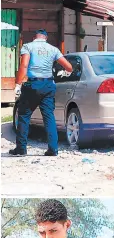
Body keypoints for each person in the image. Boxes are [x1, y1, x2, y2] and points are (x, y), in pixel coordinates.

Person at [9, 29, 73, 157]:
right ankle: (53, 149)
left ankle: (21, 149)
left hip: (32, 85)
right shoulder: (53, 49)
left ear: (34, 37)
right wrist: (67, 72)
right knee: (49, 117)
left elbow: (24, 65)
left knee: (24, 116)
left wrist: (18, 83)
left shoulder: (28, 46)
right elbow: (69, 67)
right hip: (48, 85)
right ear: (46, 38)